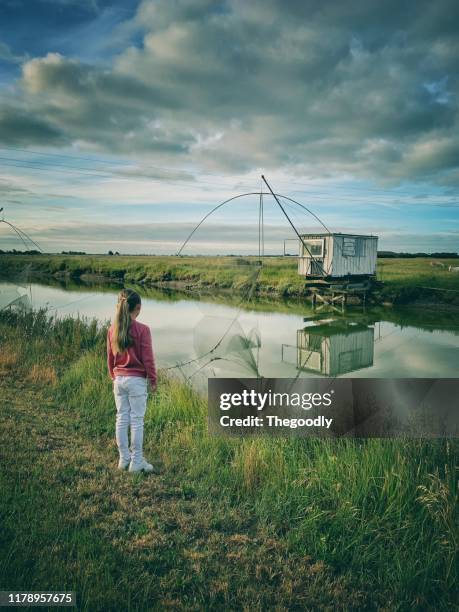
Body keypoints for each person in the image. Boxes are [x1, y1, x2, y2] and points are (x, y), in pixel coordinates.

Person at [107, 288, 157, 472]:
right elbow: (148, 359)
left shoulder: (112, 329)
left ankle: (123, 460)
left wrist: (114, 376)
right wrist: (153, 379)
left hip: (118, 379)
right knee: (137, 420)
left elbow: (110, 358)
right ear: (138, 307)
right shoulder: (143, 330)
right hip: (136, 381)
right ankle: (136, 462)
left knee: (121, 418)